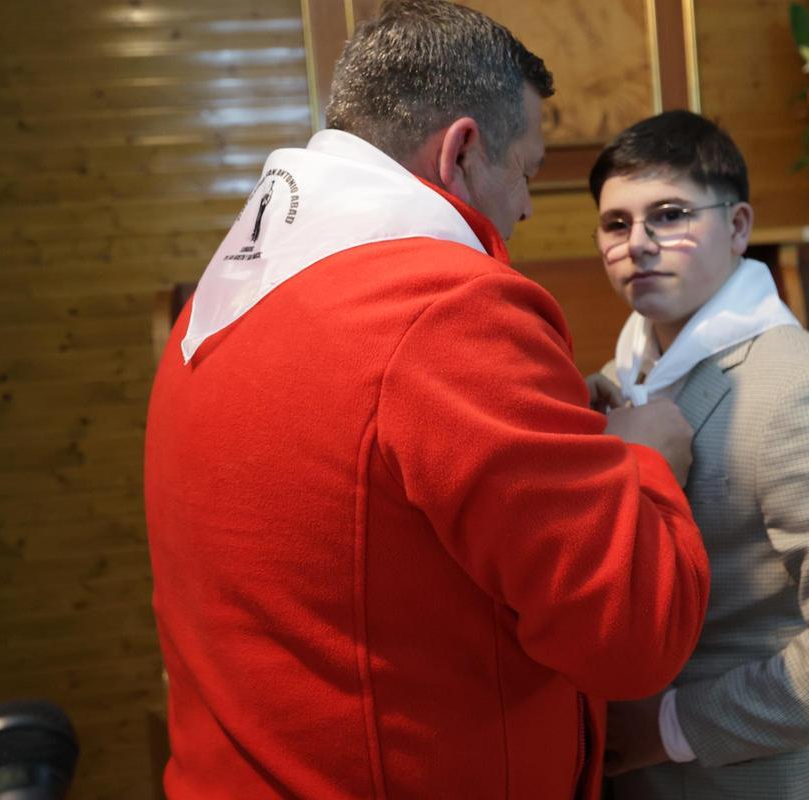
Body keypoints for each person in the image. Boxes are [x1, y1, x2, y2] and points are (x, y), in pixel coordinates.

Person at [143, 3, 711, 799]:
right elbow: (629, 634)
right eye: (526, 170)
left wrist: (545, 421)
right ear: (463, 151)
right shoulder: (446, 308)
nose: (525, 206)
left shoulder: (226, 292)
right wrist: (642, 459)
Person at [587, 111, 809, 799]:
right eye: (617, 224)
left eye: (669, 214)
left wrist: (665, 728)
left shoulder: (803, 391)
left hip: (758, 780)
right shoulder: (619, 374)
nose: (639, 244)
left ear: (740, 226)